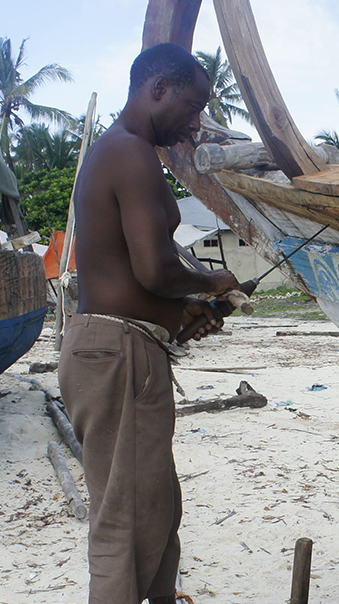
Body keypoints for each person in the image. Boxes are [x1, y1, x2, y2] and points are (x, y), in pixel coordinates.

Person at [59, 42, 239, 604]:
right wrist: (212, 283)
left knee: (156, 515)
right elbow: (155, 267)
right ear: (156, 88)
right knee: (127, 526)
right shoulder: (130, 151)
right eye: (190, 106)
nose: (195, 122)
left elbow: (135, 281)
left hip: (122, 350)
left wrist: (182, 318)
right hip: (117, 356)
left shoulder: (122, 152)